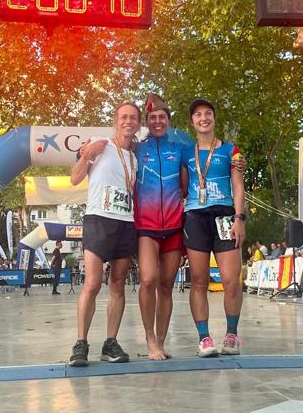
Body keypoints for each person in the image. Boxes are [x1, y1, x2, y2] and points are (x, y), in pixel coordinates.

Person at [68, 102, 140, 367]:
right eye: (124, 117)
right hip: (99, 219)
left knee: (118, 283)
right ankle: (81, 343)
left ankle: (110, 342)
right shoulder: (98, 144)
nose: (128, 121)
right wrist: (87, 155)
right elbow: (74, 179)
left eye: (133, 117)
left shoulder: (135, 156)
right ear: (115, 120)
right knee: (93, 283)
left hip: (126, 222)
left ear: (138, 123)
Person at [181, 99, 245, 357]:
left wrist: (239, 218)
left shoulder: (232, 150)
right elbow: (183, 187)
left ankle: (231, 335)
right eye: (197, 114)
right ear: (192, 121)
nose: (203, 118)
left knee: (231, 281)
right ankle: (204, 338)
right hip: (195, 217)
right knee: (199, 281)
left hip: (225, 216)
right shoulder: (186, 152)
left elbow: (238, 186)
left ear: (214, 118)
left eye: (208, 113)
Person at [134, 94, 186, 360]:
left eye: (161, 117)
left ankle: (162, 341)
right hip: (146, 225)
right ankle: (149, 337)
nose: (157, 121)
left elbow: (188, 185)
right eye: (152, 118)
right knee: (148, 279)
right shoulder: (137, 149)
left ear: (168, 120)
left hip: (175, 226)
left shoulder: (179, 150)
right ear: (147, 121)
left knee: (166, 285)